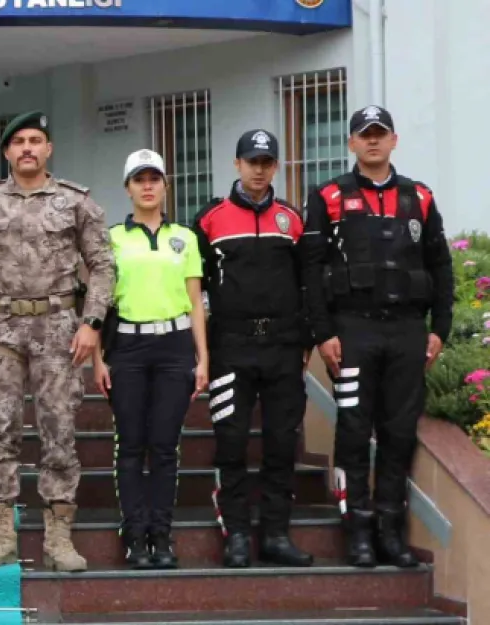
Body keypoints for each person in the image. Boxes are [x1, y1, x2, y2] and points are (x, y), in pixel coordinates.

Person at [0, 110, 115, 573]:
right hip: (0, 329)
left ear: (48, 150)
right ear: (7, 151)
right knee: (1, 430)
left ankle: (58, 537)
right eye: (19, 141)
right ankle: (1, 533)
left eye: (36, 141)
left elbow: (103, 265)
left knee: (59, 432)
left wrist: (92, 322)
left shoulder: (75, 203)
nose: (27, 148)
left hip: (59, 329)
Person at [301, 105, 454, 568]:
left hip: (407, 331)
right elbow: (310, 268)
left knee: (399, 432)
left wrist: (439, 329)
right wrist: (323, 332)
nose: (372, 141)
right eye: (364, 135)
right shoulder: (328, 196)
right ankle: (358, 531)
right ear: (351, 143)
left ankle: (391, 530)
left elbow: (441, 264)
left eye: (380, 134)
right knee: (352, 431)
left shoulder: (419, 197)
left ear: (394, 141)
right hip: (353, 330)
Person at [192, 130, 314, 569]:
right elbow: (195, 288)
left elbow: (309, 284)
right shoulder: (209, 219)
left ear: (276, 166)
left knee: (282, 443)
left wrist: (306, 342)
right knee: (231, 443)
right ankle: (238, 535)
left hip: (283, 347)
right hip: (232, 346)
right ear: (236, 164)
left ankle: (277, 534)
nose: (259, 169)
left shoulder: (292, 219)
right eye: (251, 161)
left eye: (267, 161)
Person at [91, 148, 208, 570]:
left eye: (154, 178)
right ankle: (134, 534)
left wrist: (203, 358)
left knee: (164, 447)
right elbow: (99, 303)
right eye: (138, 179)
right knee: (130, 445)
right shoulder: (111, 238)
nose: (147, 186)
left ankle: (162, 533)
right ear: (127, 188)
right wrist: (98, 361)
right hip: (127, 347)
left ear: (164, 185)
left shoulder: (186, 237)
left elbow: (195, 302)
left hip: (175, 347)